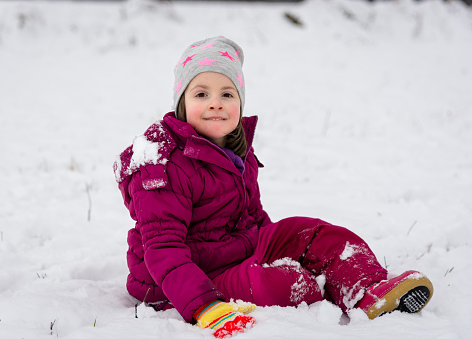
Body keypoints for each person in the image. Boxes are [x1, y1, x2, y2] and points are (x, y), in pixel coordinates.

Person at [113, 36, 433, 338]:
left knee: (312, 233)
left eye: (227, 94)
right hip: (181, 282)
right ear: (181, 103)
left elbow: (251, 215)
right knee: (283, 283)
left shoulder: (236, 149)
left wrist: (284, 244)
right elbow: (163, 250)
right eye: (201, 94)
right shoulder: (162, 166)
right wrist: (204, 304)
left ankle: (367, 290)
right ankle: (318, 288)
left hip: (236, 254)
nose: (215, 103)